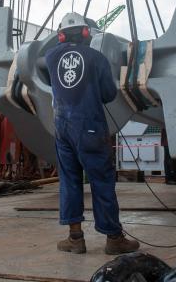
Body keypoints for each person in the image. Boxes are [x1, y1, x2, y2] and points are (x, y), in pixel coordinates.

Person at [45, 13, 139, 255]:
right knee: (101, 180)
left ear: (61, 35)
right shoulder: (96, 58)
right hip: (89, 126)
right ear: (87, 34)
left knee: (69, 181)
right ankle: (114, 238)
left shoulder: (51, 56)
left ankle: (75, 239)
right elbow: (108, 94)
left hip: (62, 127)